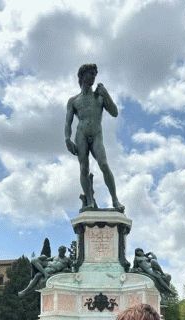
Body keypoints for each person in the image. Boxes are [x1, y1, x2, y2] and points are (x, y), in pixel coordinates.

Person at [65, 63, 124, 212]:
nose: (93, 77)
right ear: (82, 75)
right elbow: (68, 122)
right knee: (84, 168)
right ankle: (90, 201)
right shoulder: (73, 100)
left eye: (95, 74)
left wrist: (106, 94)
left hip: (96, 134)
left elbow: (115, 112)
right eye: (91, 73)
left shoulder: (99, 96)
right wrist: (67, 139)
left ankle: (115, 200)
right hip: (81, 134)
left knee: (103, 164)